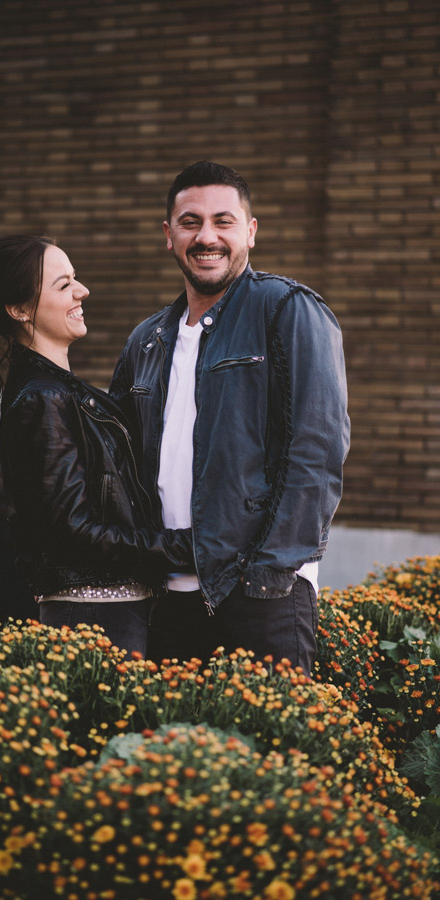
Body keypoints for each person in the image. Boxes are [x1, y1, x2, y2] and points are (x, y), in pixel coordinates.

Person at [110, 161, 350, 673]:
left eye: (223, 221)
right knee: (176, 751)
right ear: (169, 235)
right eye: (190, 222)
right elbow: (122, 463)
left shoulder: (285, 310)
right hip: (168, 594)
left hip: (261, 594)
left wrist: (267, 573)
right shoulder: (147, 341)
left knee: (273, 749)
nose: (207, 236)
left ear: (251, 232)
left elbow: (317, 451)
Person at [0, 234, 193, 658]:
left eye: (76, 279)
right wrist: (187, 548)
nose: (82, 290)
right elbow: (73, 529)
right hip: (95, 618)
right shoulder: (43, 399)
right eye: (63, 284)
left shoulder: (61, 392)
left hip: (111, 612)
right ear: (20, 310)